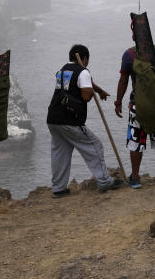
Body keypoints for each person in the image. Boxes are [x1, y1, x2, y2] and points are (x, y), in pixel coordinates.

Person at [47, 44, 124, 197]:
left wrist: (99, 90)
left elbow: (81, 83)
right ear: (84, 59)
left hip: (53, 118)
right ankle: (104, 181)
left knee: (60, 153)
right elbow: (85, 96)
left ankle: (58, 188)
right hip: (71, 120)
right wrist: (90, 90)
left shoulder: (62, 71)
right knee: (94, 145)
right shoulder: (83, 72)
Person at [114, 26, 155, 189]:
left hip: (138, 106)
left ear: (134, 38)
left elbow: (124, 81)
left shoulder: (129, 55)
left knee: (136, 142)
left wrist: (118, 101)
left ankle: (134, 178)